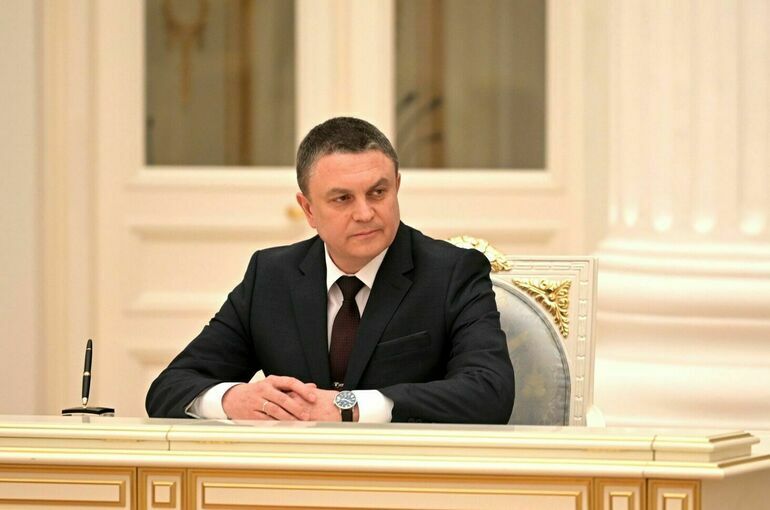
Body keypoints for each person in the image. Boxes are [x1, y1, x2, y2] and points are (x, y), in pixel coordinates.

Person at [145, 117, 514, 423]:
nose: (365, 213)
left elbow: (489, 393)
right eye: (342, 199)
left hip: (405, 474)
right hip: (295, 476)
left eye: (378, 192)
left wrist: (347, 407)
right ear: (308, 209)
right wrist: (233, 399)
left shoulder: (452, 273)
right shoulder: (270, 276)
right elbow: (169, 388)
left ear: (397, 187)